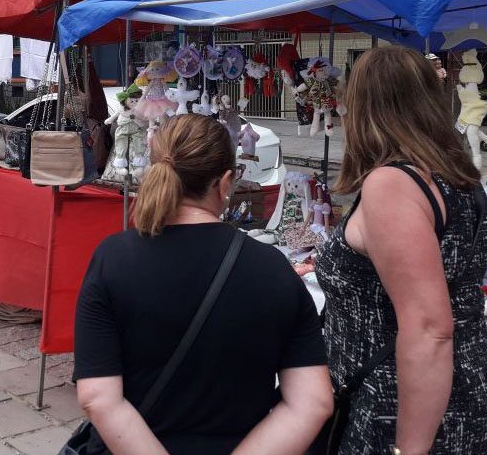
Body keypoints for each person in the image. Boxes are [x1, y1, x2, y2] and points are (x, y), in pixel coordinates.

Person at [74, 113, 333, 455]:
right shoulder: (273, 269)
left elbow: (97, 398)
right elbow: (312, 404)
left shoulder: (112, 259)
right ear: (225, 183)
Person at [317, 45, 487, 454]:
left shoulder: (393, 183)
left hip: (401, 405)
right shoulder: (458, 175)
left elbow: (429, 330)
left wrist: (408, 449)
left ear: (364, 107)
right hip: (461, 384)